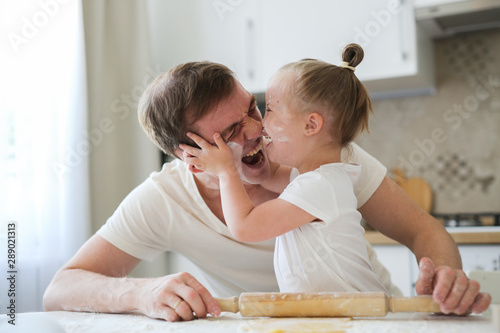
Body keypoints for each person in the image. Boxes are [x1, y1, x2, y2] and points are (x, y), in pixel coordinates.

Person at [43, 60, 491, 322]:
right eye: (233, 131)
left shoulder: (323, 159)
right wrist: (139, 294)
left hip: (369, 318)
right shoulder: (163, 199)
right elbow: (60, 288)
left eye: (254, 108)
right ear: (190, 154)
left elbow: (424, 231)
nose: (258, 130)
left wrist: (446, 277)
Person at [180, 44, 388, 294]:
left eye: (269, 109)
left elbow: (246, 227)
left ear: (310, 125)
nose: (260, 125)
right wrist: (239, 156)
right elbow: (269, 178)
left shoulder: (319, 186)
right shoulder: (316, 178)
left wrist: (226, 171)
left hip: (357, 314)